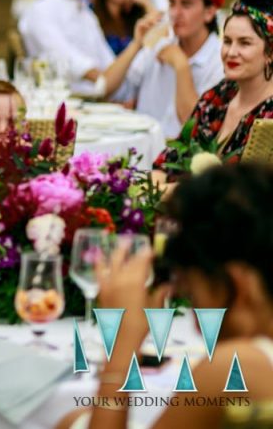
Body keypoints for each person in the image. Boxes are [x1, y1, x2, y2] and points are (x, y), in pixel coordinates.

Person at [58, 164, 273, 429]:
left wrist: (122, 344)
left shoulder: (236, 366)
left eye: (195, 295)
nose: (196, 323)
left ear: (239, 284)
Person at [153, 0, 273, 181]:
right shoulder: (220, 95)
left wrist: (167, 193)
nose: (231, 52)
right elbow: (169, 158)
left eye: (244, 43)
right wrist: (153, 186)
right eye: (227, 41)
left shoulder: (269, 117)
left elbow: (240, 192)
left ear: (269, 54)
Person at [100, 0, 224, 138]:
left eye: (186, 4)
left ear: (209, 12)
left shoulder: (221, 59)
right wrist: (137, 44)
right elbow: (105, 89)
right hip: (140, 154)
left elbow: (197, 131)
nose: (175, 13)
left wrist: (181, 66)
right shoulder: (159, 46)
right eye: (172, 3)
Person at [18, 0, 116, 95]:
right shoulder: (40, 9)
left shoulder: (87, 13)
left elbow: (107, 59)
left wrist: (119, 84)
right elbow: (63, 58)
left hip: (99, 96)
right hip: (61, 99)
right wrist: (107, 81)